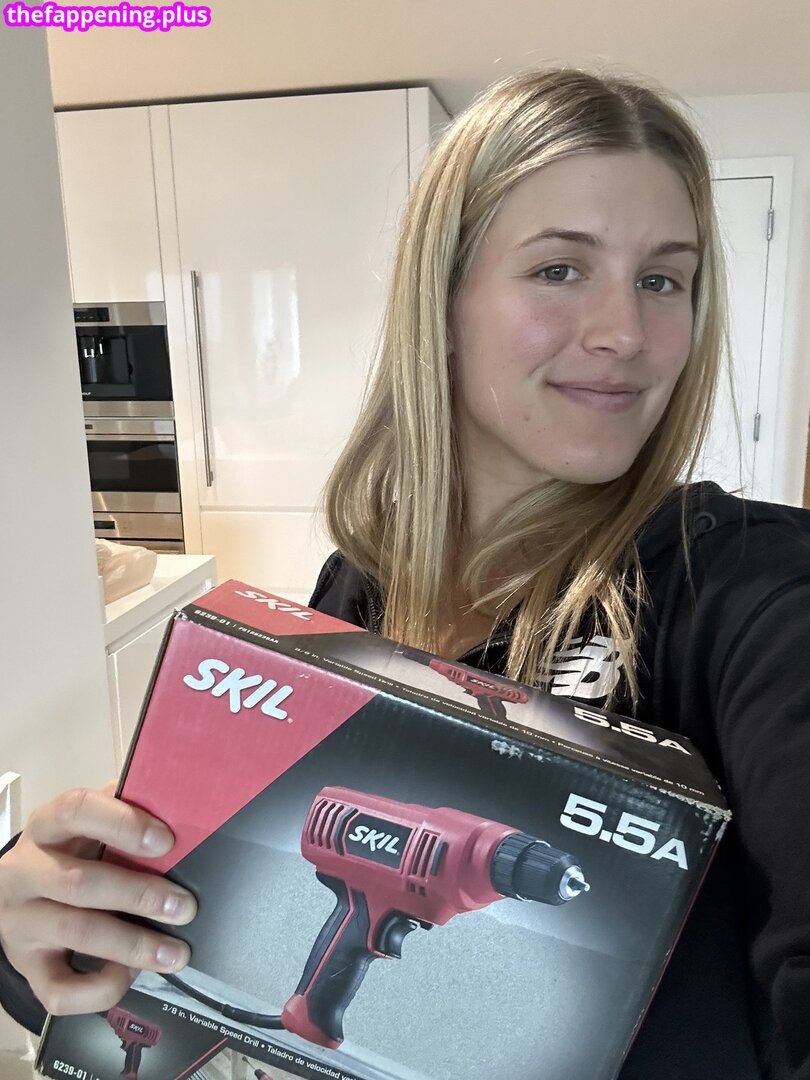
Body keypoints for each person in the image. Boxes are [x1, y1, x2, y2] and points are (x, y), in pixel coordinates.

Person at [1, 66, 809, 1079]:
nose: (625, 335)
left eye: (663, 280)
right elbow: (171, 980)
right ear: (444, 299)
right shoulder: (356, 590)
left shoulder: (755, 596)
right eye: (561, 268)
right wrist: (46, 935)